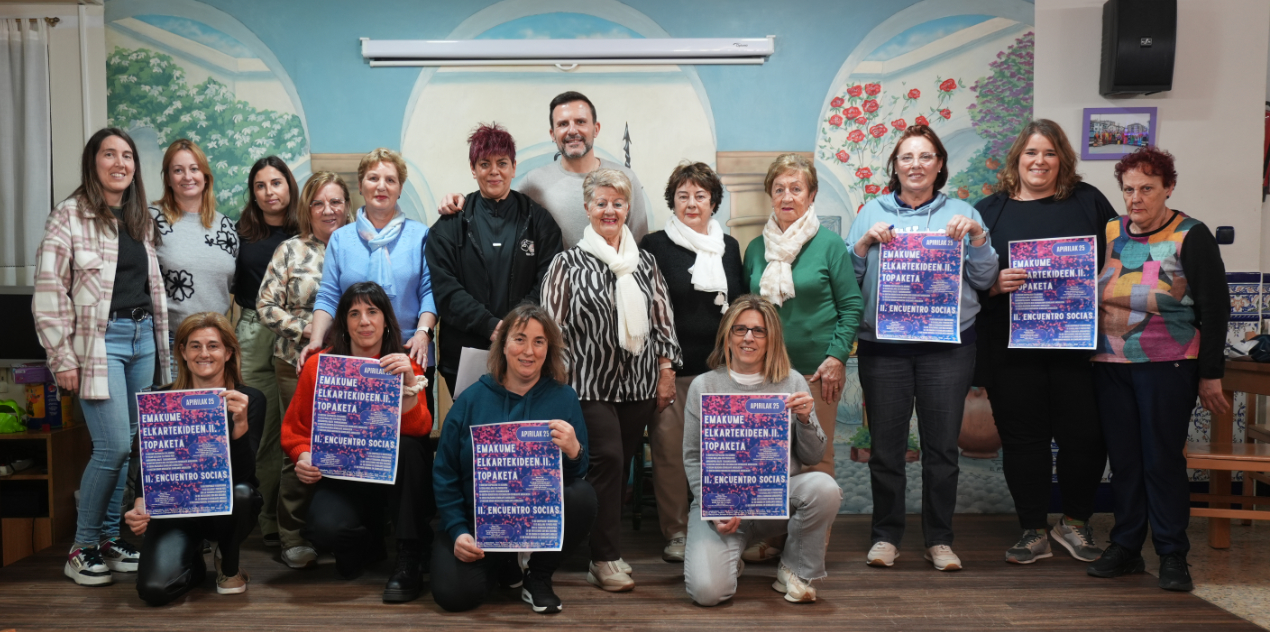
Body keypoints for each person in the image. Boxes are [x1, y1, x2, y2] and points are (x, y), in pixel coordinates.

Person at [845, 125, 998, 572]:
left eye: (925, 156)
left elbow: (986, 281)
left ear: (939, 165)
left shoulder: (965, 212)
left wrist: (977, 237)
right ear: (895, 165)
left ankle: (940, 540)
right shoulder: (870, 210)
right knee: (886, 448)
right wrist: (863, 243)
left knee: (942, 449)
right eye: (907, 157)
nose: (916, 165)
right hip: (883, 347)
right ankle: (886, 536)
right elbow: (849, 280)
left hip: (946, 349)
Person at [973, 120, 1118, 565]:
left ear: (1063, 160)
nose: (1040, 162)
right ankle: (1032, 530)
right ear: (1017, 157)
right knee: (1023, 441)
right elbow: (966, 280)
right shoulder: (989, 209)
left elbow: (1120, 257)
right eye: (1032, 153)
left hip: (1078, 348)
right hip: (1010, 348)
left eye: (1050, 153)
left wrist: (1098, 283)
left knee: (1087, 437)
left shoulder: (1089, 201)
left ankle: (1074, 524)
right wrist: (994, 285)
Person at [1086, 146, 1229, 592]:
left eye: (1147, 188)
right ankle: (1126, 547)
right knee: (1125, 461)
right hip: (1109, 362)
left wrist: (1210, 373)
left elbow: (1215, 307)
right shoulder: (1109, 230)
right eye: (1129, 189)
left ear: (1168, 187)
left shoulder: (1192, 234)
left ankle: (1172, 553)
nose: (1136, 198)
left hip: (1168, 364)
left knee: (1162, 461)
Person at [33, 127, 170, 586]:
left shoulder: (139, 218)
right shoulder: (68, 215)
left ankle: (110, 540)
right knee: (111, 447)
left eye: (127, 155)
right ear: (93, 162)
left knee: (130, 446)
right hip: (99, 344)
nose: (120, 163)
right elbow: (49, 292)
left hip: (143, 338)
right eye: (109, 154)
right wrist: (61, 359)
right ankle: (82, 546)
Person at [541, 168, 681, 592]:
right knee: (608, 461)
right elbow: (551, 329)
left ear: (627, 208)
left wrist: (666, 371)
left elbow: (662, 321)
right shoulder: (566, 264)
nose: (609, 210)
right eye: (601, 202)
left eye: (618, 203)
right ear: (587, 208)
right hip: (587, 386)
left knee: (618, 472)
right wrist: (557, 386)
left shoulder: (646, 262)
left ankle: (600, 547)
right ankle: (603, 559)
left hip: (638, 386)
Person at [431, 303, 598, 614]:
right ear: (503, 344)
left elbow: (578, 472)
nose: (529, 351)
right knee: (453, 596)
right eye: (520, 339)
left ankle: (538, 577)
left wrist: (575, 450)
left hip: (537, 523)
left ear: (549, 349)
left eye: (539, 341)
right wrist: (458, 531)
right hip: (477, 525)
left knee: (582, 496)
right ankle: (503, 566)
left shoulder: (564, 398)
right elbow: (445, 473)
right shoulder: (471, 400)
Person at [683, 295, 841, 606]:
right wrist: (713, 508)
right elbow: (692, 458)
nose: (748, 338)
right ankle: (731, 559)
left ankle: (794, 571)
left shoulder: (793, 381)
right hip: (724, 505)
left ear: (772, 339)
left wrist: (806, 419)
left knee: (824, 488)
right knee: (707, 593)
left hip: (776, 500)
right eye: (740, 329)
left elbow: (811, 457)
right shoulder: (704, 386)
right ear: (727, 336)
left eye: (759, 331)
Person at [282, 281, 435, 603]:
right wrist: (302, 455)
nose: (364, 321)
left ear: (385, 319)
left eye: (372, 311)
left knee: (409, 447)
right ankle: (368, 540)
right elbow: (294, 429)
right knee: (326, 534)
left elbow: (421, 428)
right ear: (343, 322)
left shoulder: (403, 363)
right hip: (341, 477)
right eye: (354, 313)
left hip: (392, 477)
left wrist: (407, 381)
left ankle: (409, 554)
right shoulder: (318, 365)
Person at [638, 161, 745, 563]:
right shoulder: (654, 245)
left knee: (721, 452)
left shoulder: (729, 247)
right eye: (683, 195)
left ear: (713, 201)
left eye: (700, 195)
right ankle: (677, 532)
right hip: (673, 371)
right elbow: (650, 312)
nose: (691, 203)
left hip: (722, 372)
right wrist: (664, 368)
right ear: (673, 201)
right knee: (668, 452)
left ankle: (723, 522)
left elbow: (739, 308)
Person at [125, 312, 265, 604]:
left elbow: (245, 475)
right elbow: (152, 460)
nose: (204, 353)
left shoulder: (248, 398)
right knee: (154, 591)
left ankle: (228, 564)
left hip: (224, 510)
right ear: (183, 353)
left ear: (228, 353)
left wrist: (239, 426)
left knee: (242, 493)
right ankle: (192, 562)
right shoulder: (160, 399)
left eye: (213, 346)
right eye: (195, 346)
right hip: (175, 511)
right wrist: (140, 502)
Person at [742, 153, 862, 478]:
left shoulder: (830, 245)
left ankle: (813, 532)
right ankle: (770, 532)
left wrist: (837, 358)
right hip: (764, 371)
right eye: (779, 189)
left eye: (796, 188)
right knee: (765, 460)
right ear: (770, 195)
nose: (787, 197)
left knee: (814, 462)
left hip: (816, 373)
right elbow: (746, 313)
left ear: (811, 195)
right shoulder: (755, 249)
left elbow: (852, 306)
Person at [256, 171, 353, 569]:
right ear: (307, 209)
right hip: (297, 362)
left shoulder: (359, 245)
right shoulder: (290, 251)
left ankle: (340, 529)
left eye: (335, 202)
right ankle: (292, 535)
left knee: (348, 446)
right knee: (300, 447)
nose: (328, 210)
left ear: (347, 205)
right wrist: (314, 334)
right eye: (319, 203)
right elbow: (266, 306)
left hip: (350, 367)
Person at [425, 123, 564, 395]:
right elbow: (445, 290)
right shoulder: (450, 225)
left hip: (526, 354)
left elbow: (550, 281)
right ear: (473, 168)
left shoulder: (539, 221)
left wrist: (517, 328)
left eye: (502, 163)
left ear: (514, 166)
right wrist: (491, 326)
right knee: (474, 429)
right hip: (464, 355)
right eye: (484, 163)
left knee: (518, 433)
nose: (494, 171)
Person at [303, 148, 437, 413]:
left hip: (410, 351)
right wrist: (316, 340)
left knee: (411, 438)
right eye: (373, 178)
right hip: (355, 355)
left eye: (390, 180)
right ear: (361, 186)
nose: (381, 186)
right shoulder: (340, 238)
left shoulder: (421, 235)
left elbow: (429, 291)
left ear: (400, 189)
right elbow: (329, 295)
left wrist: (423, 334)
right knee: (358, 435)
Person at [436, 91, 649, 246]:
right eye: (563, 124)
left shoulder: (626, 179)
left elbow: (639, 246)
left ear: (596, 129)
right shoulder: (533, 183)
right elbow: (495, 206)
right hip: (554, 299)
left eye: (581, 122)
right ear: (552, 134)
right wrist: (459, 201)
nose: (572, 130)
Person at [234, 155, 299, 548]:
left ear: (289, 187)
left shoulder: (305, 231)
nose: (268, 192)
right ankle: (263, 518)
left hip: (298, 333)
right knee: (262, 428)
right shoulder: (240, 233)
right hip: (255, 334)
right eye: (260, 185)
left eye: (276, 183)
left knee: (294, 428)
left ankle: (287, 516)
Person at [148, 139, 238, 378]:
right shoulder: (150, 219)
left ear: (205, 176)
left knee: (212, 414)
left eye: (194, 169)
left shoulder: (226, 226)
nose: (187, 176)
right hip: (172, 342)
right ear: (168, 178)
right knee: (173, 412)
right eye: (178, 170)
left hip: (218, 345)